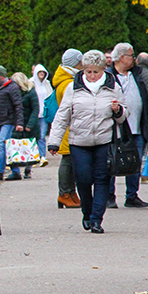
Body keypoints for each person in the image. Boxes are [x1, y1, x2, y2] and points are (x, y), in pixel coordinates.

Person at [47, 50, 127, 234]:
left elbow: (124, 114)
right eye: (88, 72)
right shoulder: (73, 87)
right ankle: (87, 212)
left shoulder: (112, 86)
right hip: (79, 142)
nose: (91, 76)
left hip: (104, 141)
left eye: (95, 72)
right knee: (83, 180)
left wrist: (118, 110)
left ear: (103, 70)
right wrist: (54, 142)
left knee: (101, 179)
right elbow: (62, 116)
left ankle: (96, 219)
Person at [106, 42, 148, 208]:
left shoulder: (137, 75)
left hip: (137, 126)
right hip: (115, 128)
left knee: (135, 161)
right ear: (121, 58)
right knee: (111, 161)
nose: (134, 59)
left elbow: (145, 99)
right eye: (131, 56)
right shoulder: (109, 77)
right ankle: (109, 196)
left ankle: (132, 195)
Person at [52, 49, 83, 209]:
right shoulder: (68, 83)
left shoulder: (66, 80)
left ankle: (70, 192)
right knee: (67, 161)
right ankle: (64, 193)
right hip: (68, 127)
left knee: (70, 162)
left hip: (69, 127)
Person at [0, 65, 23, 181]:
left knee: (1, 144)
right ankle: (16, 172)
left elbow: (18, 106)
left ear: (1, 76)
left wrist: (19, 123)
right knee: (8, 147)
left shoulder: (12, 88)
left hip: (9, 121)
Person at [11, 72, 39, 179]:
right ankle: (15, 170)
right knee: (15, 146)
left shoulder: (31, 93)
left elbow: (35, 109)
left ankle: (28, 169)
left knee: (29, 147)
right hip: (18, 123)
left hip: (29, 123)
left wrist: (30, 125)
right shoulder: (14, 93)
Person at [32, 64, 54, 167]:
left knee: (42, 135)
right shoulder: (31, 83)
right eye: (39, 72)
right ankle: (33, 156)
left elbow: (50, 97)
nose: (41, 74)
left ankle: (42, 156)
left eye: (43, 73)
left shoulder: (47, 84)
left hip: (43, 114)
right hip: (34, 113)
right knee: (33, 135)